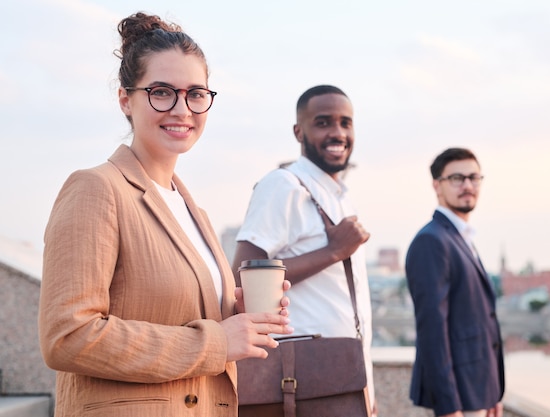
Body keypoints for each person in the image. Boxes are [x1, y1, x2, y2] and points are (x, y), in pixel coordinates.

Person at [38, 12, 292, 417]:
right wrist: (216, 342)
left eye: (195, 93)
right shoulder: (96, 188)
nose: (181, 109)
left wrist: (235, 315)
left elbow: (174, 313)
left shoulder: (194, 213)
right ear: (126, 99)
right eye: (161, 92)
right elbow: (67, 334)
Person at [231, 84, 377, 415]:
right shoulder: (283, 185)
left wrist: (366, 389)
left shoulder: (338, 194)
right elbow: (242, 279)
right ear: (299, 131)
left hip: (343, 378)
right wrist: (333, 252)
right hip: (299, 382)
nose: (337, 133)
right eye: (323, 122)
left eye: (345, 122)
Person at [405, 148, 505, 417]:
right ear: (437, 185)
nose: (468, 185)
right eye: (457, 178)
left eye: (474, 177)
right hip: (456, 401)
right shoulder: (432, 241)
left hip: (476, 392)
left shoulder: (461, 237)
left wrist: (492, 391)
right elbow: (433, 332)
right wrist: (448, 407)